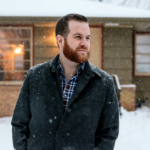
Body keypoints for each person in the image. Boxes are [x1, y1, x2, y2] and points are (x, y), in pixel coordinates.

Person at [12, 13, 119, 150]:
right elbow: (19, 123)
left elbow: (109, 132)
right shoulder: (35, 76)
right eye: (78, 37)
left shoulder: (104, 83)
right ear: (60, 40)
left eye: (87, 38)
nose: (84, 43)